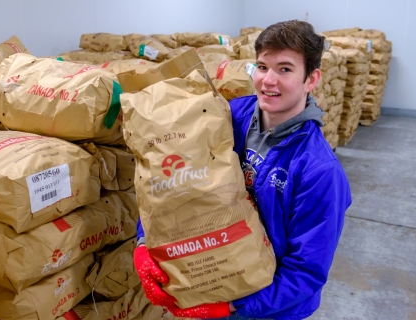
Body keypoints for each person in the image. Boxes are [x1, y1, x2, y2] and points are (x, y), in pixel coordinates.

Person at [133, 20, 352, 320]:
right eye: (262, 67)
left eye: (285, 69)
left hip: (268, 307)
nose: (268, 81)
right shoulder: (229, 115)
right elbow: (168, 183)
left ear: (311, 79)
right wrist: (145, 240)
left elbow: (306, 272)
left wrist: (232, 308)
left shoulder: (318, 170)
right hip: (209, 279)